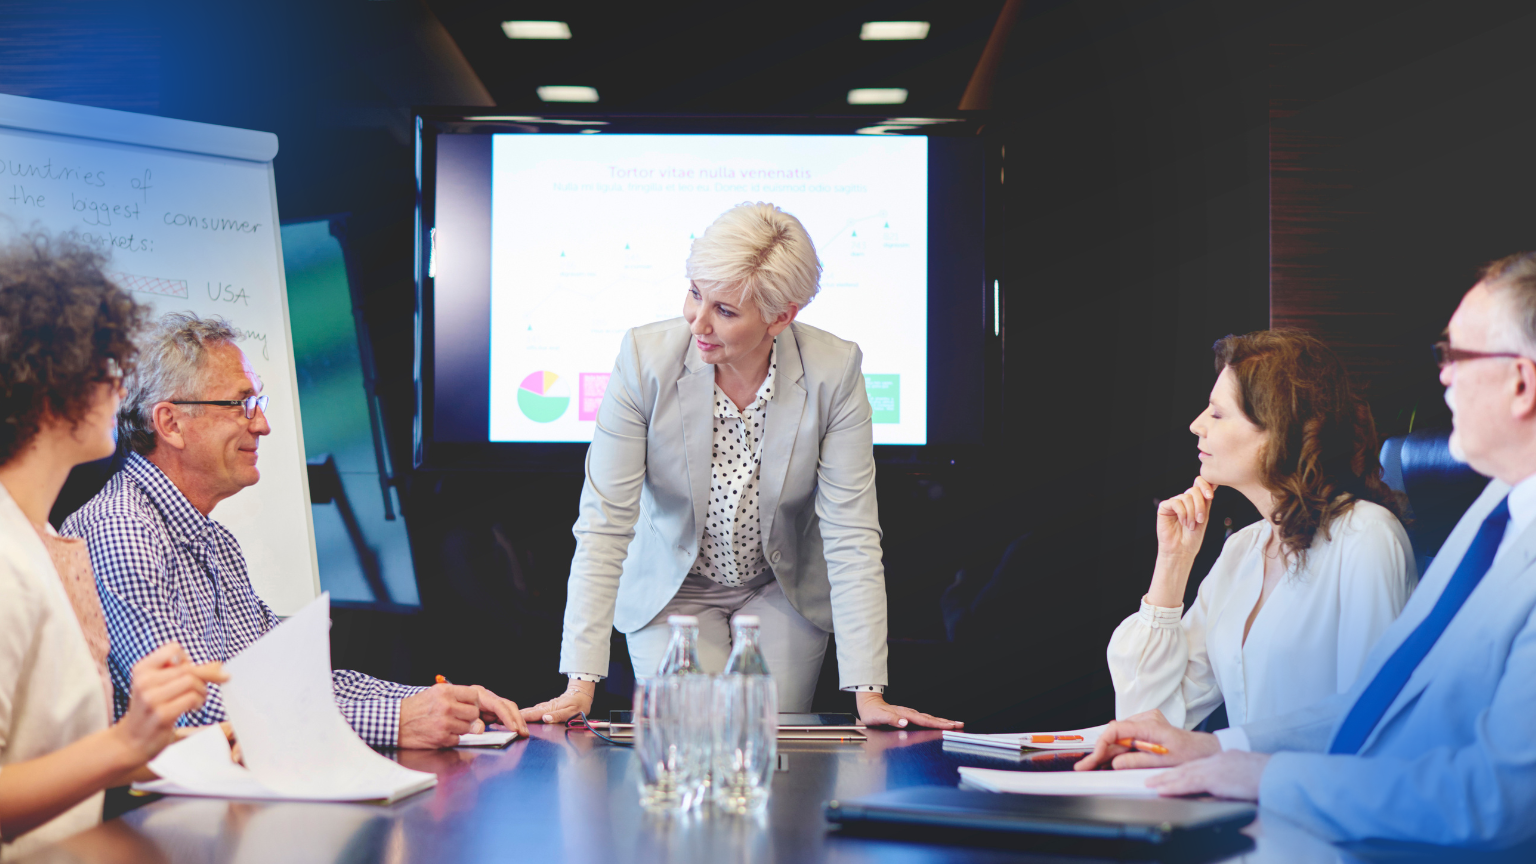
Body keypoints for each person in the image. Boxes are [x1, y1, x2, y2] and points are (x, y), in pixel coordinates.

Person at [1077, 252, 1536, 849]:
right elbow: (1372, 708)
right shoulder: (1494, 514)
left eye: (1455, 356)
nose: (1442, 376)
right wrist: (1219, 748)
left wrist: (1264, 774)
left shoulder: (1371, 536)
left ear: (1522, 382)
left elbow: (1496, 799)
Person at [523, 203, 959, 729]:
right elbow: (604, 523)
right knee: (686, 741)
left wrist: (869, 694)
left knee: (767, 743)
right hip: (673, 585)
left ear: (782, 316)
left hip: (781, 583)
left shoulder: (834, 370)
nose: (697, 322)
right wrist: (580, 682)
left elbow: (851, 533)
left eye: (725, 311)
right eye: (694, 293)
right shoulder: (643, 359)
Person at [62, 313, 529, 749]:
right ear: (171, 423)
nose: (262, 424)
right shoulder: (120, 531)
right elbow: (192, 712)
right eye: (242, 404)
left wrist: (429, 701)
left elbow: (297, 682)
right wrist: (396, 720)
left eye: (257, 403)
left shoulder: (214, 541)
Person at [0, 233, 226, 858]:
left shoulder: (45, 540)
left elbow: (54, 758)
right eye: (106, 367)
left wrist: (186, 750)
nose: (121, 388)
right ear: (46, 385)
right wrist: (127, 743)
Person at [1108, 330, 1415, 730]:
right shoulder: (1244, 549)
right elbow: (1149, 719)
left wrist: (1224, 755)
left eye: (1217, 414)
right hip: (1241, 789)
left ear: (1278, 431)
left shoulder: (1367, 539)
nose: (1196, 425)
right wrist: (1173, 562)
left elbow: (1368, 727)